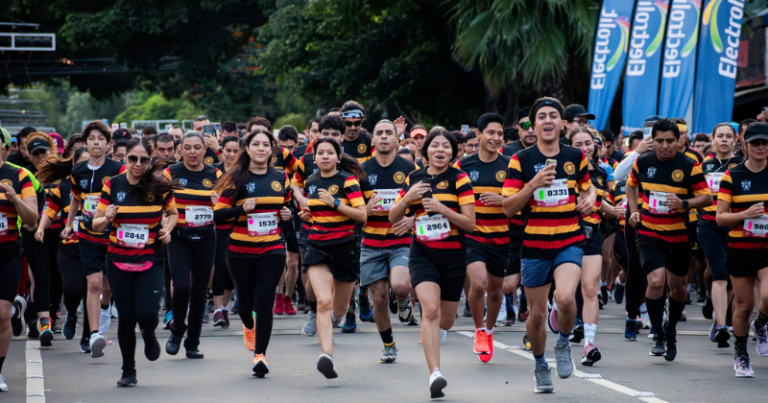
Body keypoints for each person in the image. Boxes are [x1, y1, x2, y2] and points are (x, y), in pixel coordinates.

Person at [502, 97, 596, 393]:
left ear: (562, 123)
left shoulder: (575, 156)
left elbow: (587, 185)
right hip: (534, 245)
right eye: (540, 116)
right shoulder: (521, 160)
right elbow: (507, 207)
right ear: (534, 123)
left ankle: (564, 344)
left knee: (567, 298)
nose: (547, 121)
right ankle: (540, 364)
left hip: (568, 239)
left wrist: (591, 197)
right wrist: (533, 184)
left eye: (553, 115)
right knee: (538, 314)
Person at [390, 128, 475, 399]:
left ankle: (436, 334)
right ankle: (434, 373)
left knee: (446, 321)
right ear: (425, 150)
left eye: (446, 147)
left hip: (454, 255)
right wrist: (407, 198)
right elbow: (393, 217)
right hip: (422, 253)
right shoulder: (413, 178)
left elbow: (470, 224)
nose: (440, 150)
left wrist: (444, 210)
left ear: (454, 152)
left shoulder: (459, 179)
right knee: (429, 310)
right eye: (435, 146)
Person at [92, 137, 178, 387]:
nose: (138, 164)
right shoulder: (112, 185)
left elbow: (172, 215)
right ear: (125, 159)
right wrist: (106, 218)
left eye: (143, 159)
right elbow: (96, 224)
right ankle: (128, 370)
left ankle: (149, 333)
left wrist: (167, 230)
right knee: (127, 317)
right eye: (132, 159)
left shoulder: (159, 185)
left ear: (150, 160)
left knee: (147, 314)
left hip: (150, 258)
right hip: (118, 260)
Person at [626, 118, 711, 361]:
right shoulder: (643, 161)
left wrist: (683, 203)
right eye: (659, 141)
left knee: (679, 290)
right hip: (649, 233)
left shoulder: (689, 165)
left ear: (679, 140)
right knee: (655, 282)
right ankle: (658, 333)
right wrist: (634, 211)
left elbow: (706, 198)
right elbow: (631, 186)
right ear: (652, 140)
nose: (664, 146)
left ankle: (671, 329)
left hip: (679, 236)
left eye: (670, 141)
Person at [213, 130, 292, 377]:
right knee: (246, 304)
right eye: (255, 144)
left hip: (272, 248)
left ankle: (260, 355)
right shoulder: (235, 177)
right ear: (247, 149)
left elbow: (286, 207)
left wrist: (287, 215)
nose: (260, 148)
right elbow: (217, 215)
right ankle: (249, 324)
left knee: (265, 299)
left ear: (272, 149)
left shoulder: (281, 176)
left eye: (265, 145)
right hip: (240, 250)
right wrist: (240, 208)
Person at [296, 137, 367, 379]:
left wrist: (335, 202)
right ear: (314, 158)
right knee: (323, 302)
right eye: (320, 153)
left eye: (330, 152)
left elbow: (361, 215)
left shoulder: (348, 181)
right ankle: (327, 356)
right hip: (317, 246)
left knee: (338, 309)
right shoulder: (311, 181)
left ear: (338, 157)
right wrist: (310, 218)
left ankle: (348, 302)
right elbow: (317, 213)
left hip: (345, 247)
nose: (325, 156)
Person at [59, 121, 125, 358]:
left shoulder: (118, 169)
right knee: (94, 284)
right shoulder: (78, 171)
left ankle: (105, 307)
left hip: (113, 235)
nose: (96, 142)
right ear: (85, 143)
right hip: (87, 234)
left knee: (107, 286)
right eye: (92, 138)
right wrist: (68, 225)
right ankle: (93, 334)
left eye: (101, 138)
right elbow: (76, 198)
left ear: (108, 144)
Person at [453, 113, 509, 363]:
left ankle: (489, 330)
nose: (495, 138)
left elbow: (524, 199)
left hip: (502, 237)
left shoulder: (510, 165)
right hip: (472, 236)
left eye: (499, 134)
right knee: (479, 284)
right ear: (479, 134)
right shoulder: (463, 166)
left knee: (496, 290)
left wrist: (504, 201)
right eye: (490, 133)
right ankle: (478, 330)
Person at [359, 120, 417, 363]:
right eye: (379, 133)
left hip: (400, 239)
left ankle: (403, 300)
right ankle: (389, 344)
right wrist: (363, 208)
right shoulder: (361, 170)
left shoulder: (410, 168)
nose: (383, 137)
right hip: (371, 242)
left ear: (396, 140)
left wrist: (413, 219)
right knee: (379, 297)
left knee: (401, 285)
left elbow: (426, 201)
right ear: (373, 140)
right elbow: (351, 205)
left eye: (388, 133)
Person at [716, 122, 768, 378]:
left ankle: (761, 324)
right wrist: (746, 214)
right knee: (744, 305)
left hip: (766, 248)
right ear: (745, 145)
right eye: (755, 143)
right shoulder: (732, 176)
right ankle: (741, 352)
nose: (760, 147)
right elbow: (720, 218)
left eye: (764, 143)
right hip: (740, 247)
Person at [163, 132, 222, 359]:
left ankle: (193, 343)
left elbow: (227, 203)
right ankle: (178, 329)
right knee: (181, 286)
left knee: (199, 291)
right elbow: (163, 205)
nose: (192, 152)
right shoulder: (171, 173)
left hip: (206, 237)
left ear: (204, 150)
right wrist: (165, 229)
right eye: (187, 147)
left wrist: (220, 202)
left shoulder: (214, 173)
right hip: (179, 237)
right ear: (180, 150)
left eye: (197, 147)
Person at [563, 128, 615, 366]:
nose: (585, 147)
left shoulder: (601, 173)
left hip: (592, 233)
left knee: (590, 288)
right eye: (579, 144)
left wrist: (611, 210)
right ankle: (558, 314)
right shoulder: (562, 169)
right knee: (565, 291)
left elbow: (598, 199)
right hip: (564, 233)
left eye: (589, 143)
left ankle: (589, 344)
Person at [35, 146, 92, 353]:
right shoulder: (65, 186)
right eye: (82, 163)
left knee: (90, 292)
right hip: (69, 248)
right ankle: (72, 314)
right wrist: (41, 227)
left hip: (94, 246)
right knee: (73, 290)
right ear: (74, 165)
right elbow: (51, 210)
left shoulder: (105, 185)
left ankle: (87, 337)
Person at [0, 127, 38, 393]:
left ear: (6, 147)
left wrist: (14, 199)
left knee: (2, 314)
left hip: (8, 251)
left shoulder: (20, 175)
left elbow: (32, 219)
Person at [698, 123, 742, 348]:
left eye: (728, 136)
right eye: (720, 136)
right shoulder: (703, 166)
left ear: (736, 140)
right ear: (712, 140)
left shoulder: (742, 166)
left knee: (734, 275)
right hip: (708, 224)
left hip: (736, 224)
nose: (724, 140)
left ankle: (721, 314)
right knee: (719, 273)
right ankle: (722, 326)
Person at [21, 133, 59, 345]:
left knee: (58, 278)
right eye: (35, 154)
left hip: (60, 232)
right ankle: (44, 321)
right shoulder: (25, 176)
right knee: (41, 276)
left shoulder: (62, 174)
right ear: (29, 155)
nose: (40, 157)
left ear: (50, 150)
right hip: (33, 232)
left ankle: (49, 314)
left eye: (43, 152)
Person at [211, 135, 240, 327]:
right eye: (227, 150)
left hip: (238, 226)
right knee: (220, 266)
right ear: (221, 150)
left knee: (231, 270)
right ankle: (217, 310)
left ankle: (224, 308)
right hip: (218, 227)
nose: (230, 154)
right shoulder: (214, 172)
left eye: (235, 151)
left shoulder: (243, 174)